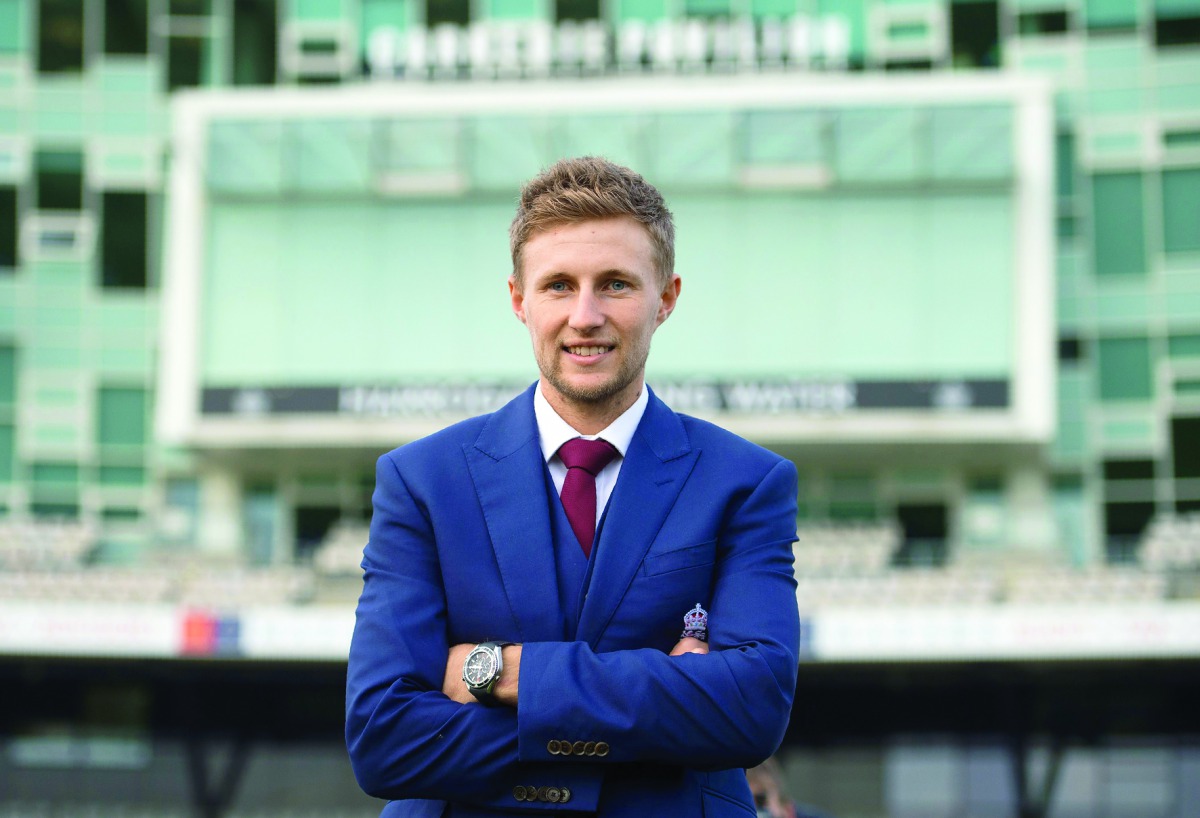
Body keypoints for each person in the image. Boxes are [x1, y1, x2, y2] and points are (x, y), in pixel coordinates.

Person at [346, 156, 801, 817]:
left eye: (615, 284)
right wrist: (666, 704)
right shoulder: (421, 482)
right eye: (558, 286)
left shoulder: (747, 483)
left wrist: (499, 673)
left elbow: (749, 714)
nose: (585, 316)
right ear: (518, 300)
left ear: (666, 297)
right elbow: (385, 740)